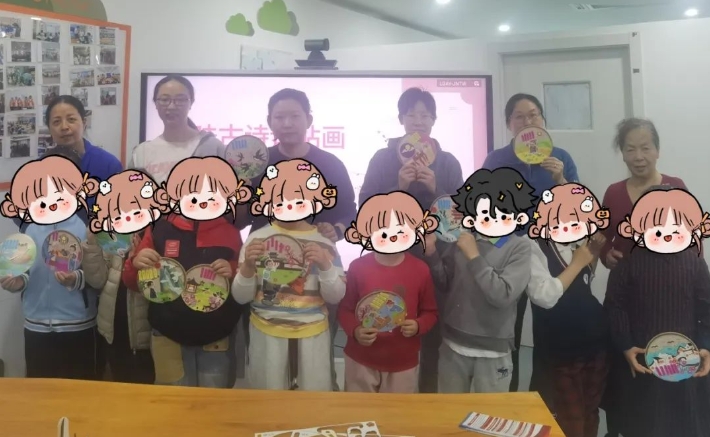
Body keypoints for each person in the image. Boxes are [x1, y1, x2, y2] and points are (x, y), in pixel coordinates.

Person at [246, 88, 357, 391]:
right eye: (279, 117)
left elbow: (349, 210)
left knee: (315, 365)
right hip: (267, 270)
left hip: (314, 272)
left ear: (308, 119)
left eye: (294, 116)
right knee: (268, 364)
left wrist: (337, 228)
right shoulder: (258, 163)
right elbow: (242, 217)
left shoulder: (330, 163)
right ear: (269, 122)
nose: (287, 123)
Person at [358, 87, 464, 393]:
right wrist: (399, 187)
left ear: (434, 120)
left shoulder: (447, 162)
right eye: (412, 114)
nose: (418, 121)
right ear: (401, 119)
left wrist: (436, 190)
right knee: (388, 324)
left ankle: (427, 397)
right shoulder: (382, 158)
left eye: (425, 115)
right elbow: (365, 209)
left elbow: (459, 217)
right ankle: (386, 395)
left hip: (435, 258)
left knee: (431, 330)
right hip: (390, 258)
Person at [122, 157, 252, 388]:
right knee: (171, 403)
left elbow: (245, 278)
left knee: (214, 403)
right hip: (167, 333)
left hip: (217, 334)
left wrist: (233, 270)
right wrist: (136, 263)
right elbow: (133, 283)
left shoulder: (230, 231)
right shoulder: (159, 227)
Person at [481, 93, 580, 392]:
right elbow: (482, 208)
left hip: (549, 253)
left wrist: (561, 179)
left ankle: (544, 399)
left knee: (549, 329)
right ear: (509, 123)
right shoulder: (496, 159)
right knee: (507, 331)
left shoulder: (561, 157)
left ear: (542, 119)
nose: (528, 121)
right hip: (507, 252)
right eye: (520, 116)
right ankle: (507, 397)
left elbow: (578, 209)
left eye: (534, 114)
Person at [598, 118, 686, 437]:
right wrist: (606, 254)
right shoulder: (614, 192)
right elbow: (603, 238)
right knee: (627, 376)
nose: (638, 157)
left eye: (645, 148)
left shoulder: (676, 186)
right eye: (630, 149)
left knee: (667, 373)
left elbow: (690, 242)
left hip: (667, 303)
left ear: (657, 151)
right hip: (625, 302)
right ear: (622, 153)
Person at [604, 186, 710, 437]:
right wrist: (625, 344)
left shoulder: (695, 262)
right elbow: (615, 305)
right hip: (640, 354)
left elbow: (706, 307)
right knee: (642, 421)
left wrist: (706, 344)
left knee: (683, 421)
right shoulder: (628, 263)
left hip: (685, 356)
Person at [233, 159, 346, 391]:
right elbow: (240, 297)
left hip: (313, 332)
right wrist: (247, 268)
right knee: (268, 400)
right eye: (280, 200)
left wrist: (325, 265)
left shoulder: (324, 242)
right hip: (266, 331)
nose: (290, 206)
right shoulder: (257, 239)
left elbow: (336, 296)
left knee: (313, 401)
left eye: (300, 200)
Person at [423, 167, 536, 393]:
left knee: (489, 413)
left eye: (502, 214)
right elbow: (445, 283)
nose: (491, 219)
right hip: (453, 343)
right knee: (450, 411)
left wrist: (474, 257)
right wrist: (432, 252)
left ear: (519, 216)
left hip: (493, 350)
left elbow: (503, 295)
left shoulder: (520, 247)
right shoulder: (464, 237)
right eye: (484, 214)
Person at [0, 148, 106, 380]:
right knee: (39, 394)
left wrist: (75, 279)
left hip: (79, 324)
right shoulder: (30, 226)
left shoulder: (89, 225)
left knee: (81, 393)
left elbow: (101, 276)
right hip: (36, 326)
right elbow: (27, 271)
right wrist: (18, 281)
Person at [527, 183, 610, 437]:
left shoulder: (579, 241)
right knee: (567, 419)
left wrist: (593, 255)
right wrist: (578, 262)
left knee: (590, 411)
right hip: (560, 351)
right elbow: (544, 296)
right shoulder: (533, 245)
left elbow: (583, 284)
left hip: (595, 344)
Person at [339, 191, 439, 393]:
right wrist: (355, 331)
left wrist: (418, 325)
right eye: (383, 232)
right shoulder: (357, 267)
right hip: (361, 358)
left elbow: (431, 312)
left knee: (398, 411)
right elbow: (345, 310)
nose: (392, 237)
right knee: (358, 409)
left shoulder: (420, 269)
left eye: (400, 231)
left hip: (403, 361)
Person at [90, 169, 160, 384]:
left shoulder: (160, 232)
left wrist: (138, 263)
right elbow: (97, 280)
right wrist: (91, 242)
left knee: (147, 392)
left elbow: (163, 288)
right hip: (112, 329)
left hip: (146, 336)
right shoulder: (112, 233)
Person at [129, 75, 226, 185]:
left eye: (180, 100)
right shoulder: (141, 152)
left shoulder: (212, 147)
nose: (171, 106)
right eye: (164, 100)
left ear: (191, 102)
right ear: (155, 103)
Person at [44, 95, 123, 214]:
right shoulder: (40, 167)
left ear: (84, 122)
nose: (64, 127)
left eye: (71, 119)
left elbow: (121, 208)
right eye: (56, 122)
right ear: (49, 129)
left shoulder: (109, 164)